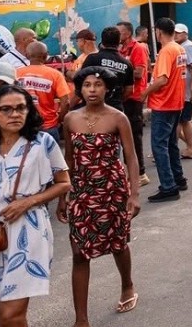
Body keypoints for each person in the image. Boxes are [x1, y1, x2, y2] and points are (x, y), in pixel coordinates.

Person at [59, 66, 141, 323]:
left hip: (112, 190)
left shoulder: (118, 118)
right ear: (80, 89)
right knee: (79, 253)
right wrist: (63, 196)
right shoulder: (70, 119)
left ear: (107, 89)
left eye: (98, 85)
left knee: (118, 243)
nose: (92, 90)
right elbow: (68, 159)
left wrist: (134, 194)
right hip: (81, 192)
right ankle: (81, 319)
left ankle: (127, 285)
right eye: (87, 85)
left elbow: (131, 157)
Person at [0, 85, 71, 325]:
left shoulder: (42, 142)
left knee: (11, 314)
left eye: (21, 108)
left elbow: (64, 183)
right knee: (3, 308)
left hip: (28, 229)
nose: (14, 114)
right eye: (6, 109)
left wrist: (27, 202)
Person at [141, 18, 189, 203]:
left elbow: (162, 79)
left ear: (158, 32)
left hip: (164, 103)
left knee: (159, 146)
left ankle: (169, 186)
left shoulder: (166, 51)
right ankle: (178, 178)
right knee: (170, 144)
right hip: (175, 101)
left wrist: (144, 93)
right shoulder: (179, 48)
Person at [15, 41, 72, 142]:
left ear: (27, 55)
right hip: (49, 127)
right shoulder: (55, 75)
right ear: (46, 56)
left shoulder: (16, 73)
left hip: (23, 126)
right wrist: (59, 119)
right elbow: (66, 102)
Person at [117, 21, 150, 185]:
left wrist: (118, 72)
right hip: (123, 97)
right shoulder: (120, 49)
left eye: (120, 32)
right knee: (124, 137)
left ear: (128, 33)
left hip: (134, 97)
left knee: (134, 137)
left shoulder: (138, 48)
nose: (118, 35)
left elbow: (139, 73)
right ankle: (130, 172)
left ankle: (140, 174)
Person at [176, 24, 192, 160]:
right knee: (184, 120)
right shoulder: (181, 46)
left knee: (180, 121)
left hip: (187, 92)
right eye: (175, 32)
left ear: (186, 34)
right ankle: (190, 148)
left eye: (179, 33)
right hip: (184, 91)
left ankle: (175, 149)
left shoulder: (188, 46)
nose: (176, 35)